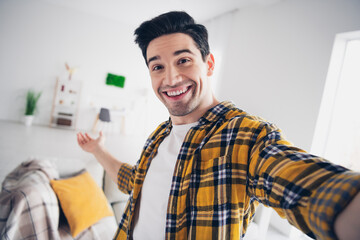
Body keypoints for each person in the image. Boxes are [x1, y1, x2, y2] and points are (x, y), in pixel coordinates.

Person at [77, 11, 360, 240]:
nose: (172, 78)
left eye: (183, 61)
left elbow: (314, 189)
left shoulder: (247, 136)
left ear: (209, 63)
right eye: (158, 67)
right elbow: (133, 181)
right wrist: (97, 150)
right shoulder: (158, 137)